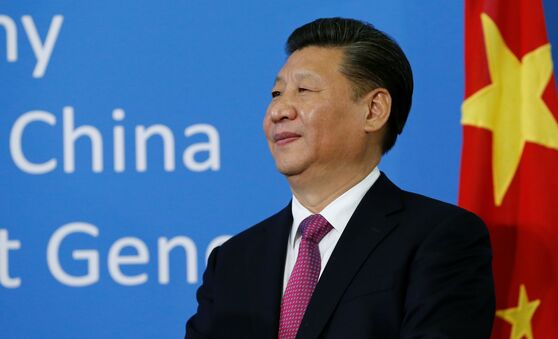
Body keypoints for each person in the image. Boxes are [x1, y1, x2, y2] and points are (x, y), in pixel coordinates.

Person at [185, 17, 495, 339]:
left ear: (374, 110)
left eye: (303, 90)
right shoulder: (235, 259)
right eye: (276, 93)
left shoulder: (439, 239)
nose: (278, 111)